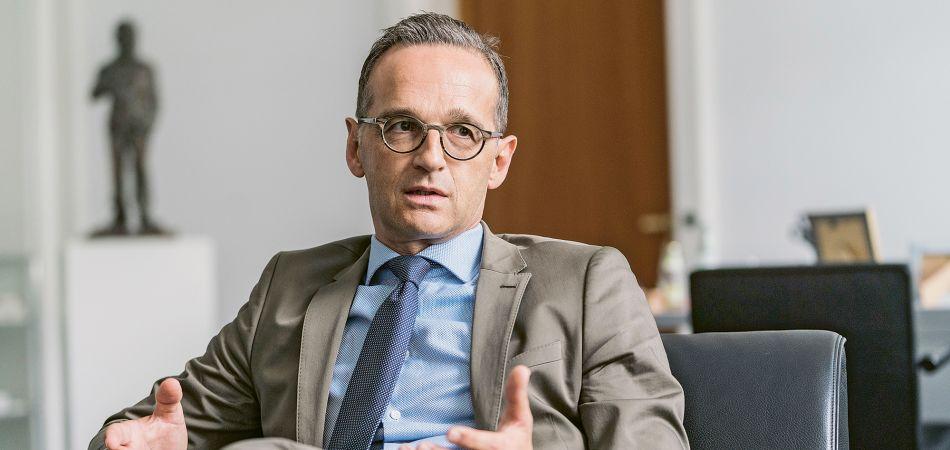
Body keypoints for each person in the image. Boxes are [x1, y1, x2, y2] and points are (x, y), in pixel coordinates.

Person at [90, 13, 688, 450]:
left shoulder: (585, 284)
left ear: (499, 161)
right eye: (402, 126)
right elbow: (138, 430)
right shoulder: (289, 287)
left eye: (462, 133)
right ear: (356, 147)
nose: (431, 157)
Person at [91, 20, 166, 236]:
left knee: (140, 170)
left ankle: (144, 215)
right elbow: (94, 93)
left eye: (130, 36)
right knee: (118, 173)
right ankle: (120, 217)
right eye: (123, 37)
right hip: (117, 127)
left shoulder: (144, 69)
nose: (127, 41)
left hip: (138, 128)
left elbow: (154, 102)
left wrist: (147, 125)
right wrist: (111, 85)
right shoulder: (109, 69)